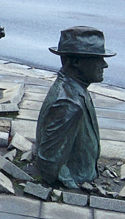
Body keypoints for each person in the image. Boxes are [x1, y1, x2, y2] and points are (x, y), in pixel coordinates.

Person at [36, 26, 114, 188]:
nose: (104, 65)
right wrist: (71, 189)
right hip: (77, 179)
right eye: (98, 59)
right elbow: (49, 160)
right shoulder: (68, 103)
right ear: (76, 62)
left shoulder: (76, 90)